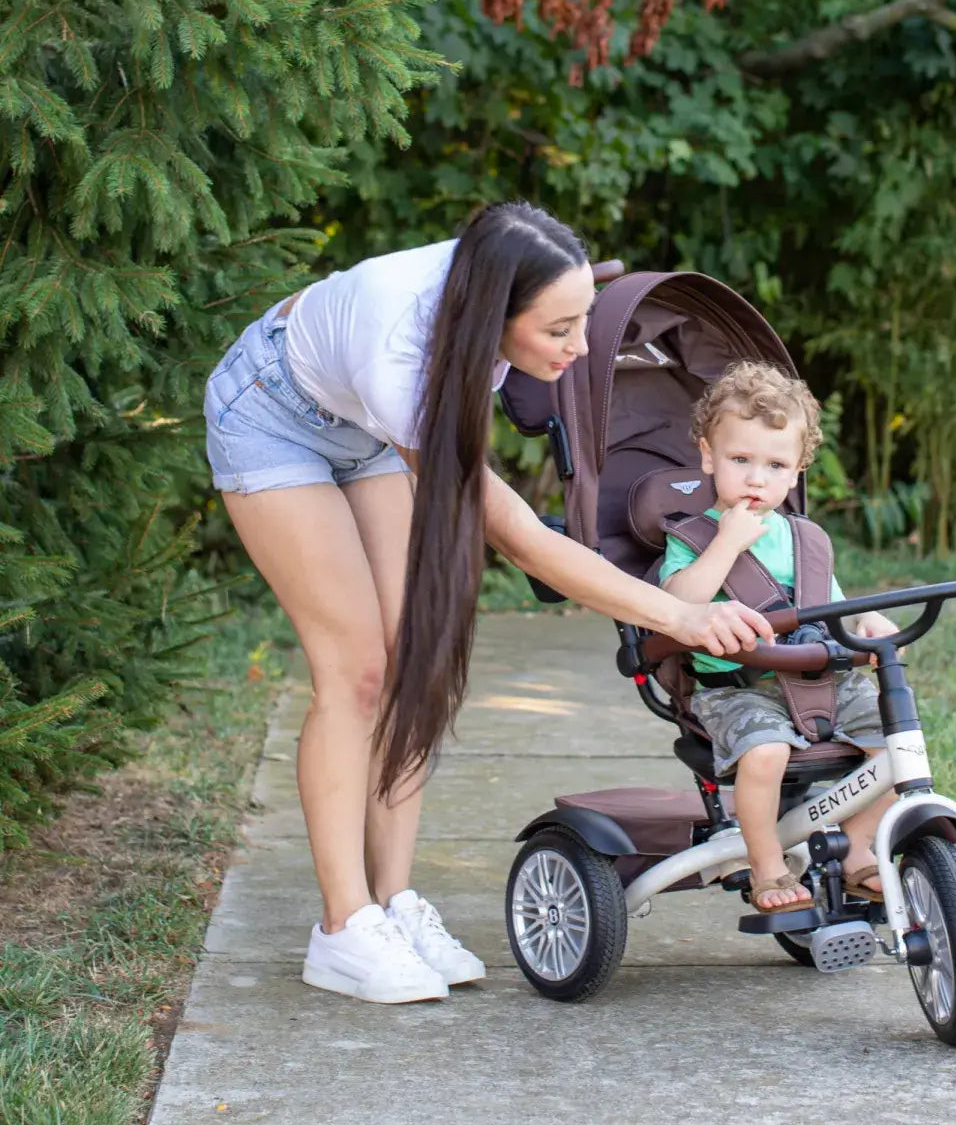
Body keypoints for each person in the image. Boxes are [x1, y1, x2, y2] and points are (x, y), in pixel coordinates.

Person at [203, 201, 774, 1004]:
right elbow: (517, 536)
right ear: (493, 315)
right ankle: (342, 927)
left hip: (364, 423)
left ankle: (393, 905)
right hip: (274, 413)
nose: (578, 350)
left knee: (417, 663)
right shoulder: (399, 352)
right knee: (359, 671)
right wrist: (675, 614)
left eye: (582, 322)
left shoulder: (492, 288)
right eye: (559, 331)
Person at [660, 362, 899, 913]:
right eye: (740, 461)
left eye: (775, 465)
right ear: (708, 457)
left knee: (899, 745)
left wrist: (869, 625)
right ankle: (766, 864)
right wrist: (726, 545)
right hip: (739, 688)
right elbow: (677, 605)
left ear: (796, 473)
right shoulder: (692, 536)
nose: (756, 479)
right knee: (764, 752)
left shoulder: (804, 539)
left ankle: (856, 846)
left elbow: (833, 606)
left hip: (820, 682)